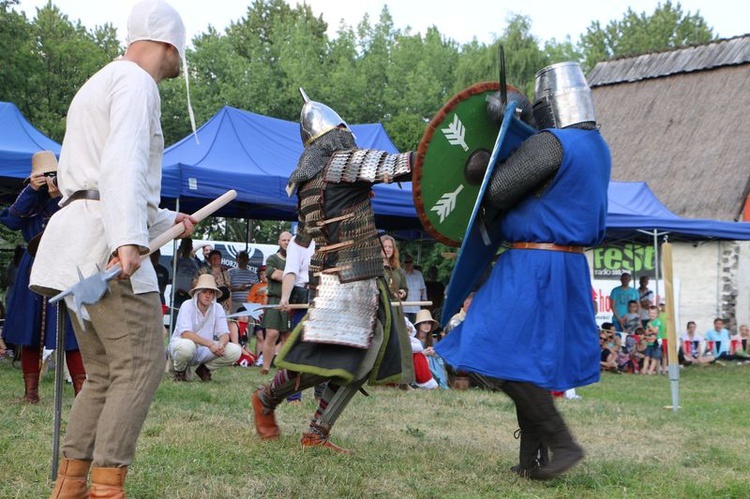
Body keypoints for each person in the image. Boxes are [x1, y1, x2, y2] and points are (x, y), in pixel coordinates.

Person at [29, 1, 197, 495]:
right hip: (106, 240)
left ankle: (72, 486)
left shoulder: (99, 82)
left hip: (82, 236)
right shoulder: (136, 82)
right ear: (169, 43)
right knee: (139, 364)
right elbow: (121, 163)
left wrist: (166, 220)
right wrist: (127, 239)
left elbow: (99, 179)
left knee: (103, 373)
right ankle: (105, 489)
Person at [436, 62, 611, 480]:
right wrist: (516, 124)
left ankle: (563, 443)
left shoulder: (553, 144)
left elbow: (498, 189)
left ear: (548, 105)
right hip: (567, 264)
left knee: (490, 351)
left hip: (535, 263)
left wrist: (485, 162)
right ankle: (532, 458)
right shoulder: (596, 146)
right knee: (526, 360)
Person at [251, 89, 414, 453]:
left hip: (334, 278)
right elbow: (399, 165)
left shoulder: (306, 185)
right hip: (351, 278)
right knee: (345, 356)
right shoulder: (342, 163)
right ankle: (273, 401)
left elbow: (307, 235)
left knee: (352, 357)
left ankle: (312, 427)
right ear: (335, 133)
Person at [0, 151, 86, 403]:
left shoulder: (68, 198)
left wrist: (59, 195)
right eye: (44, 176)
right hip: (34, 264)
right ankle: (31, 393)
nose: (49, 179)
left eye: (52, 175)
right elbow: (12, 222)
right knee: (30, 328)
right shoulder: (28, 201)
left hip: (64, 264)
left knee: (70, 332)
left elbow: (79, 221)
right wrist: (30, 190)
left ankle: (81, 394)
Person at [169, 274, 242, 381]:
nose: (208, 295)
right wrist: (211, 344)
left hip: (205, 349)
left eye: (211, 292)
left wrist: (221, 345)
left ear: (214, 295)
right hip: (183, 346)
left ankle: (204, 370)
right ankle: (180, 372)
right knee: (187, 346)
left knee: (235, 350)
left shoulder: (218, 308)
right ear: (198, 293)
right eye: (204, 292)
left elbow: (224, 333)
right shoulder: (187, 305)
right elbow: (185, 334)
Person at [259, 231, 291, 375]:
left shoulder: (296, 260)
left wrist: (283, 274)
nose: (286, 242)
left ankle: (284, 368)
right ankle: (265, 367)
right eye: (283, 240)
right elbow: (273, 274)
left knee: (287, 336)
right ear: (279, 242)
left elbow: (281, 274)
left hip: (292, 301)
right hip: (275, 299)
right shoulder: (272, 258)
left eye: (289, 240)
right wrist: (292, 276)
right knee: (272, 333)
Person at [201, 249, 232, 316]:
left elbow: (229, 290)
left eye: (217, 258)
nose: (215, 260)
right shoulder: (204, 271)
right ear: (209, 259)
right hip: (208, 304)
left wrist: (230, 307)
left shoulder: (225, 273)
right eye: (213, 258)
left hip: (224, 306)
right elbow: (195, 284)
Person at [172, 238, 200, 310]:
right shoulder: (178, 260)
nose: (187, 247)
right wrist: (182, 246)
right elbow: (173, 262)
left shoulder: (195, 262)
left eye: (189, 245)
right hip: (178, 294)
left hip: (190, 295)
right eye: (186, 246)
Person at [402, 254, 426, 323]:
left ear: (413, 263)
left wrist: (424, 304)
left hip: (416, 309)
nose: (408, 264)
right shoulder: (400, 274)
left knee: (416, 329)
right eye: (406, 262)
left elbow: (423, 289)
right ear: (402, 263)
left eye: (410, 262)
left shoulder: (419, 274)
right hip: (404, 309)